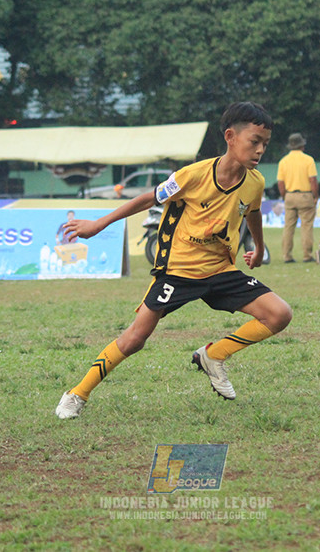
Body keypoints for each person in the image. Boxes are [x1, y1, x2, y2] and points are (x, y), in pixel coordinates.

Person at [54, 102, 292, 419]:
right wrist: (99, 224)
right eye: (254, 141)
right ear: (230, 137)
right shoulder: (192, 175)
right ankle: (77, 393)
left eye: (265, 143)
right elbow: (146, 199)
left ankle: (213, 355)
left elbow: (253, 213)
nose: (260, 150)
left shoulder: (255, 182)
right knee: (135, 339)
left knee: (279, 314)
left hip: (221, 271)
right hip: (177, 273)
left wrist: (259, 248)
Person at [276, 132, 319, 263]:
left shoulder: (283, 161)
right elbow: (313, 180)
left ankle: (287, 256)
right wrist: (315, 196)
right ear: (302, 146)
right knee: (306, 226)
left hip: (289, 195)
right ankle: (307, 255)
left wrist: (285, 196)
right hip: (305, 195)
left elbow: (280, 183)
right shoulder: (308, 160)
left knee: (288, 227)